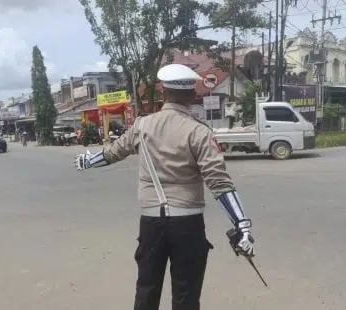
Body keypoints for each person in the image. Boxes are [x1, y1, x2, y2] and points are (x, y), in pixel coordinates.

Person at [73, 64, 255, 310]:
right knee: (186, 295)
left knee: (146, 291)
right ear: (192, 96)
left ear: (163, 91)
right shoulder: (198, 132)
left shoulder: (141, 126)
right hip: (187, 225)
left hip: (151, 224)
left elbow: (113, 153)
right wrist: (242, 224)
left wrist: (87, 160)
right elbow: (219, 183)